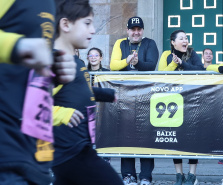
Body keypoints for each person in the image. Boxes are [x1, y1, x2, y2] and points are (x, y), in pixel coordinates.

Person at [0, 1, 76, 184]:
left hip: (34, 154)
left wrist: (56, 71)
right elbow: (20, 49)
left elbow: (28, 72)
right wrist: (16, 46)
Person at [52, 0, 124, 185]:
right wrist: (62, 113)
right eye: (87, 23)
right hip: (71, 152)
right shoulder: (54, 61)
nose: (93, 30)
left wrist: (106, 94)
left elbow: (79, 90)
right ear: (66, 24)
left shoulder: (76, 63)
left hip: (78, 148)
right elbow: (28, 106)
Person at [110, 16, 159, 185]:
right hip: (125, 95)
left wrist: (137, 64)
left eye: (139, 29)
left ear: (142, 31)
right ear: (128, 30)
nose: (136, 32)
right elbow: (113, 65)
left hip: (146, 95)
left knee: (146, 136)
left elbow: (151, 65)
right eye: (133, 29)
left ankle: (146, 176)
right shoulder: (120, 43)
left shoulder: (150, 43)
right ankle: (128, 175)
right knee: (126, 135)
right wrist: (128, 60)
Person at [158, 30, 204, 185]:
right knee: (174, 137)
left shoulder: (192, 53)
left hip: (192, 100)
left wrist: (183, 64)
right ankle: (179, 174)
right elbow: (160, 75)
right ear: (173, 42)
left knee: (192, 137)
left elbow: (200, 70)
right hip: (173, 103)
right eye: (181, 38)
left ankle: (192, 175)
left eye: (186, 38)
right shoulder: (166, 55)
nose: (185, 41)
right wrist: (173, 63)